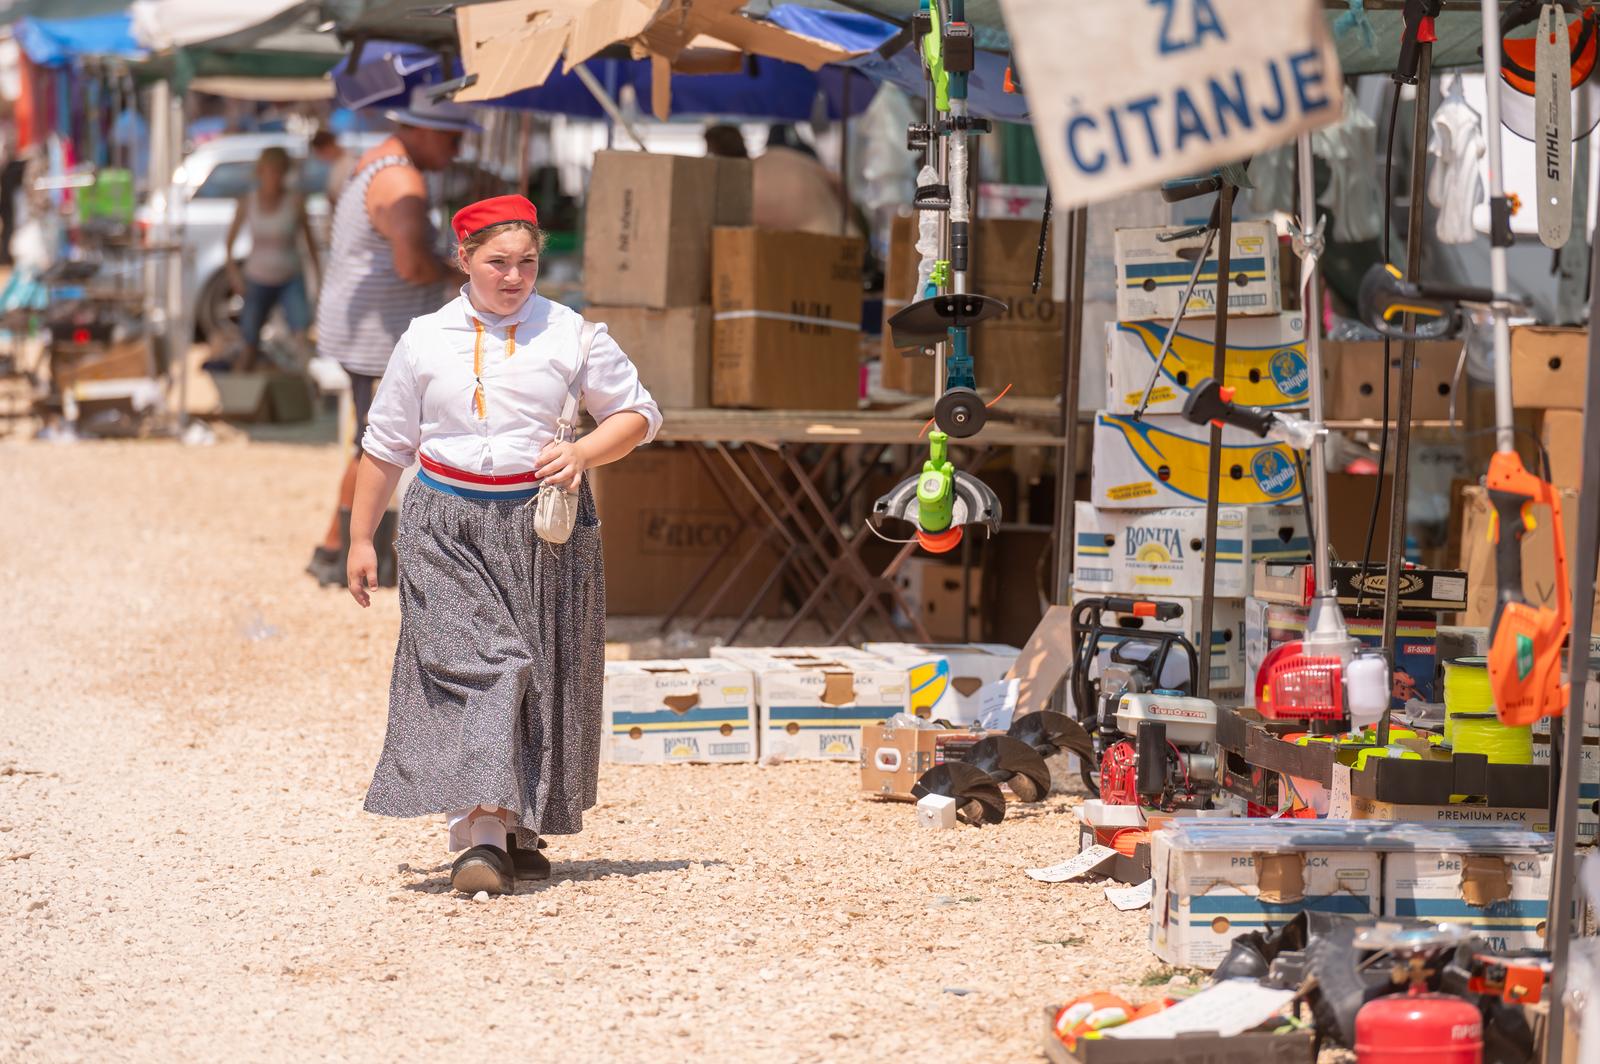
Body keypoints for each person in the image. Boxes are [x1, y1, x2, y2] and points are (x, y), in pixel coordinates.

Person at [348, 194, 661, 895]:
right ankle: (480, 838)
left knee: (540, 676)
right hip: (444, 525)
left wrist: (583, 453)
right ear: (463, 260)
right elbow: (385, 445)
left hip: (542, 531)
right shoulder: (424, 339)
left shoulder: (571, 331)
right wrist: (361, 539)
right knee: (491, 667)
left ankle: (516, 828)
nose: (514, 276)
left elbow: (639, 413)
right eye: (497, 263)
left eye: (526, 262)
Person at [306, 90, 476, 587]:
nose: (458, 149)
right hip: (378, 337)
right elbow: (411, 263)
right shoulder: (402, 181)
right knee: (379, 445)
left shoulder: (376, 160)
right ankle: (342, 552)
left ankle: (333, 548)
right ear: (419, 129)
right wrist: (460, 274)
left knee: (370, 441)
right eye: (452, 136)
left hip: (362, 331)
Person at [223, 147, 318, 372]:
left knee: (301, 336)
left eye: (278, 172)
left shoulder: (294, 201)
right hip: (257, 277)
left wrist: (318, 278)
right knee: (249, 340)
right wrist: (234, 275)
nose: (274, 177)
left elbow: (310, 243)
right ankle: (240, 397)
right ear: (261, 172)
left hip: (289, 276)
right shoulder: (248, 201)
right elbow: (229, 244)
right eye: (269, 171)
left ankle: (308, 393)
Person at [309, 128, 353, 210]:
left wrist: (332, 199)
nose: (319, 159)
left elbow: (348, 198)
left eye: (319, 154)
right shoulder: (335, 163)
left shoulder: (349, 164)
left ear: (327, 147)